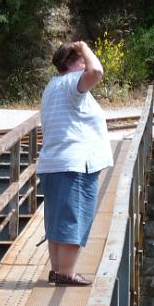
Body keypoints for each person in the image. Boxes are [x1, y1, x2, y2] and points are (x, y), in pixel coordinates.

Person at [37, 40, 113, 286]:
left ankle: (58, 270)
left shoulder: (53, 85)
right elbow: (97, 71)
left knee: (57, 219)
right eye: (81, 58)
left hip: (55, 162)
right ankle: (67, 273)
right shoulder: (72, 83)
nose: (86, 61)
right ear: (72, 62)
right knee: (74, 218)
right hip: (75, 164)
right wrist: (83, 46)